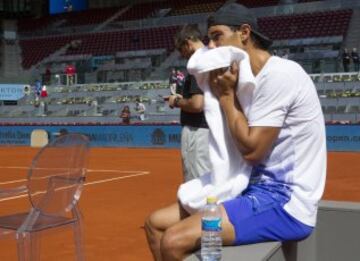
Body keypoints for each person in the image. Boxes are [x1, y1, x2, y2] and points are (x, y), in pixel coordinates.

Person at [144, 4, 326, 261]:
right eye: (209, 39)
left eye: (217, 36)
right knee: (155, 224)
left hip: (284, 201)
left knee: (174, 240)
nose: (212, 47)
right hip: (251, 189)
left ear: (244, 32)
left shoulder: (280, 75)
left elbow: (252, 152)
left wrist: (226, 97)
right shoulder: (245, 78)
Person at [167, 24, 211, 182]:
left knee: (196, 182)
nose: (182, 55)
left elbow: (196, 104)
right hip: (208, 129)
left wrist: (176, 100)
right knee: (207, 178)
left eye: (181, 49)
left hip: (197, 130)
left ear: (188, 42)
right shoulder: (211, 57)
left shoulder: (198, 62)